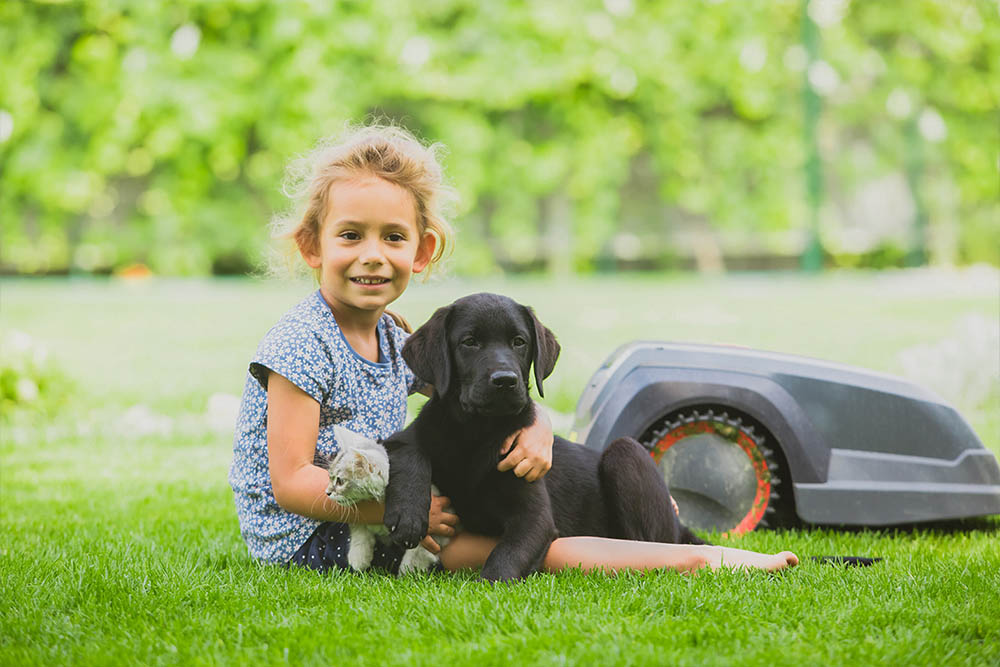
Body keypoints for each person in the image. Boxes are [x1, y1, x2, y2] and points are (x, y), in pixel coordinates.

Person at [228, 123, 799, 575]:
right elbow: (291, 480)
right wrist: (398, 510)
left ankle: (677, 550)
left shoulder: (393, 337)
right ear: (311, 245)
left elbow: (480, 393)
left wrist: (540, 425)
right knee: (530, 551)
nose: (373, 255)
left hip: (386, 514)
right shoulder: (301, 342)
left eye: (393, 237)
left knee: (516, 532)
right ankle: (693, 560)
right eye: (350, 235)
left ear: (422, 252)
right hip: (314, 535)